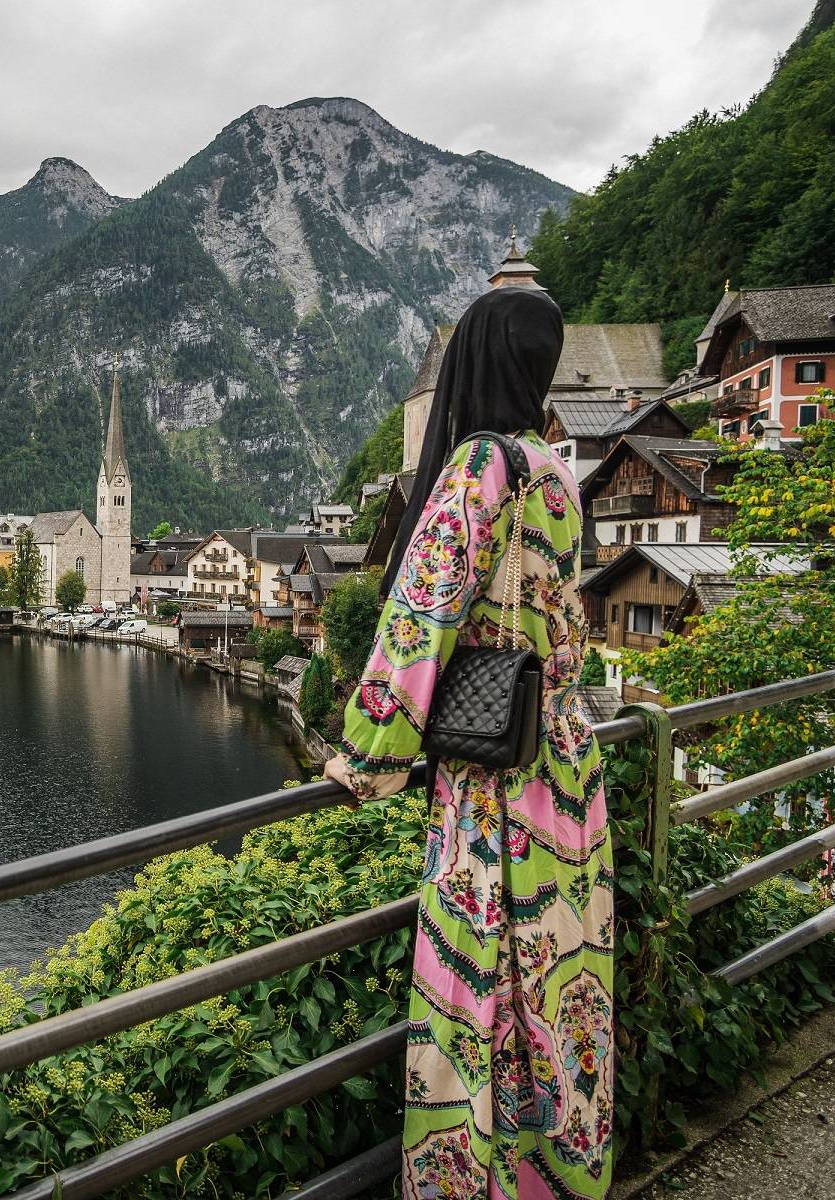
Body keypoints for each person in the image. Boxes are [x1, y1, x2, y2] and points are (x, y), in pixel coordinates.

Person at [323, 285, 613, 1199]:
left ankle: (474, 1183)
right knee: (561, 981)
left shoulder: (481, 467)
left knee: (484, 986)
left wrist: (370, 750)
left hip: (496, 778)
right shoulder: (559, 472)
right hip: (568, 760)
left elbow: (420, 617)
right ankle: (556, 1174)